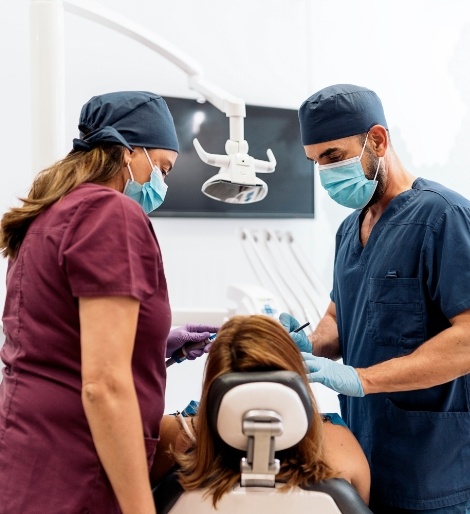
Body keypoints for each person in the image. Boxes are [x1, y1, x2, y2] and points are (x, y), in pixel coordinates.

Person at [0, 91, 218, 514]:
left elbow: (58, 337)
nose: (163, 183)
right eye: (163, 167)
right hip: (76, 465)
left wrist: (152, 345)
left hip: (33, 458)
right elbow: (103, 385)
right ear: (128, 152)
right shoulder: (110, 213)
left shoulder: (54, 212)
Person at [288, 83, 470, 513]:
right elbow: (340, 314)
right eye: (316, 162)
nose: (325, 173)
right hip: (365, 460)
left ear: (378, 140)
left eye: (333, 156)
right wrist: (306, 345)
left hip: (432, 472)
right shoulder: (350, 229)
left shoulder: (445, 218)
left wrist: (362, 379)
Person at [152, 314, 371, 507]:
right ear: (294, 380)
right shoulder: (342, 447)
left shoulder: (168, 437)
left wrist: (152, 356)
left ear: (215, 384)